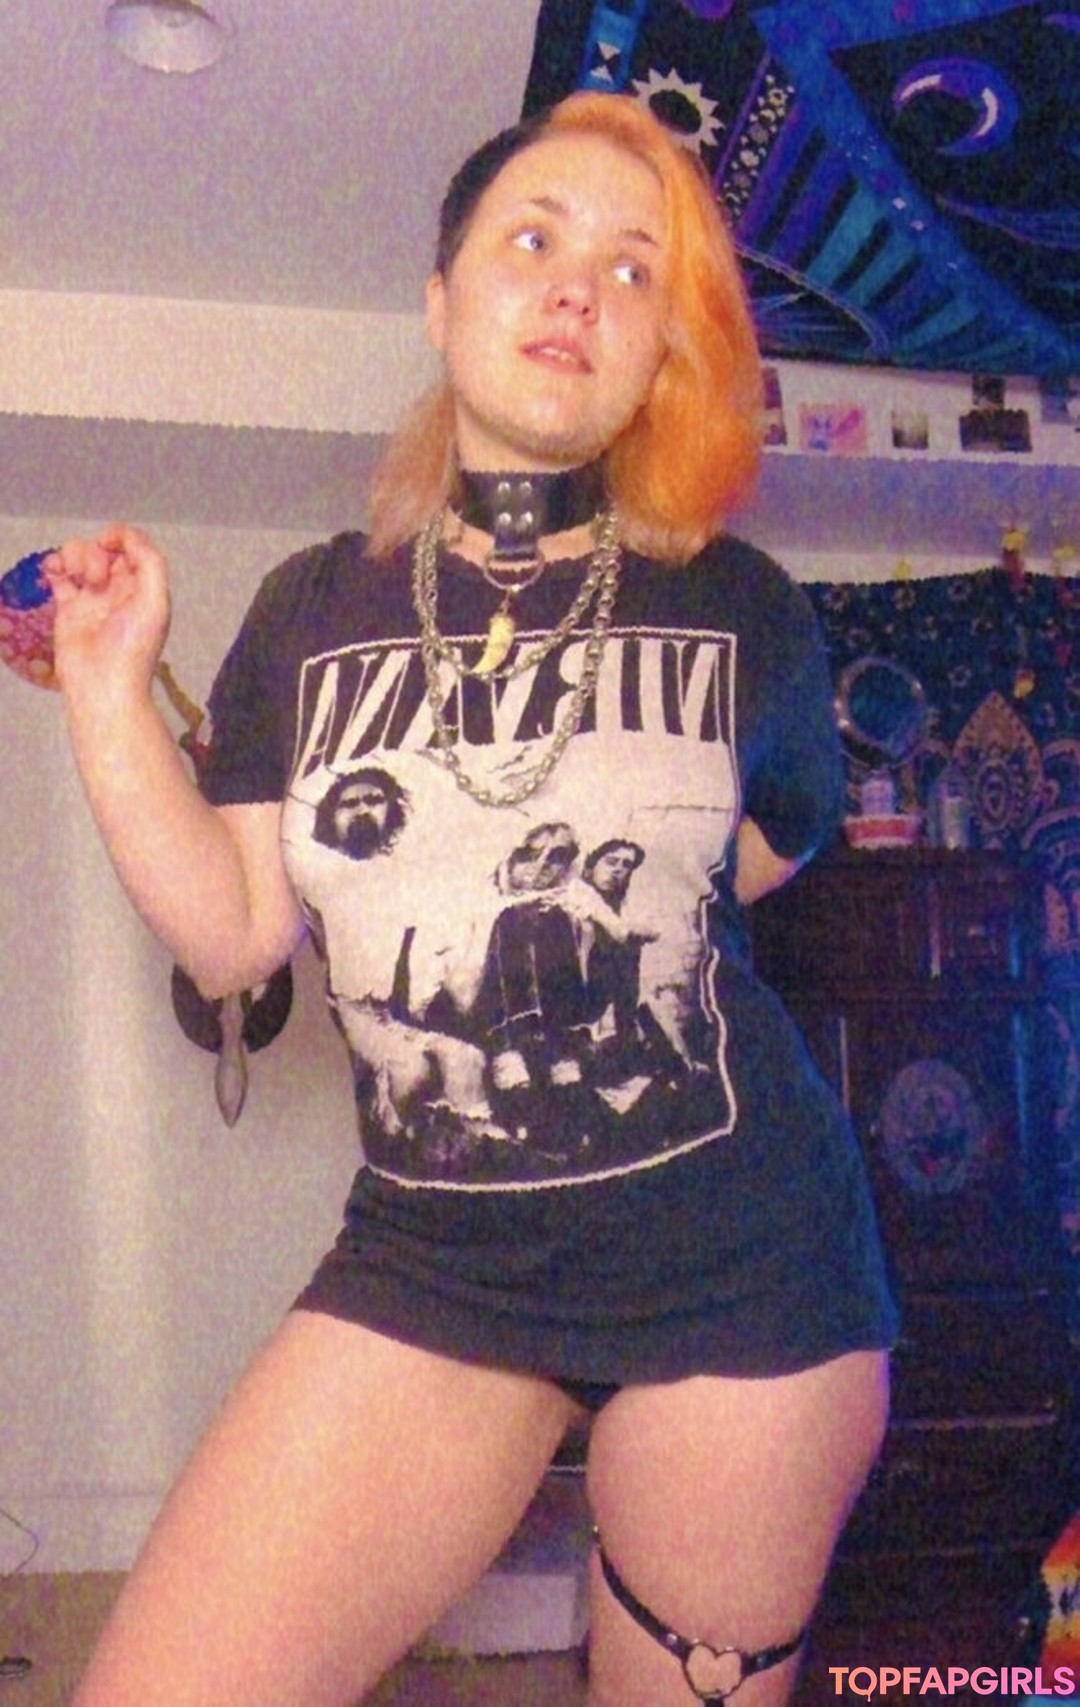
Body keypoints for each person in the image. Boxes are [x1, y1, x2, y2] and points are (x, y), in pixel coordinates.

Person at [47, 89, 896, 1707]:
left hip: (750, 1273)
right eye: (534, 239)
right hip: (436, 1261)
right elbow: (234, 932)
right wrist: (103, 691)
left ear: (659, 351)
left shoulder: (746, 608)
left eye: (635, 270)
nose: (580, 286)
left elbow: (757, 872)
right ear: (441, 303)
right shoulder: (313, 606)